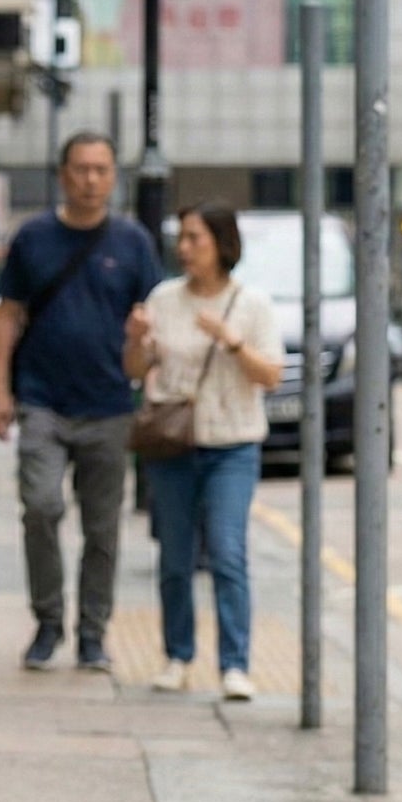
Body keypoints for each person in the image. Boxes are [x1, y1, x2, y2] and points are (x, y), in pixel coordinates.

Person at [0, 131, 161, 673]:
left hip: (110, 405)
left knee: (102, 527)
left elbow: (150, 328)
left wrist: (143, 360)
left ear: (114, 177)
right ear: (62, 175)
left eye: (101, 169)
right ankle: (47, 622)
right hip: (42, 401)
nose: (91, 179)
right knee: (40, 506)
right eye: (81, 169)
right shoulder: (33, 238)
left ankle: (92, 632)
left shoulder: (134, 243)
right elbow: (8, 318)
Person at [123, 201, 283, 699]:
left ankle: (235, 665)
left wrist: (230, 341)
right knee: (175, 558)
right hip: (173, 445)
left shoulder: (251, 304)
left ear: (221, 244)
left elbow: (272, 376)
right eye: (183, 239)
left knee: (228, 553)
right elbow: (135, 370)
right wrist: (136, 340)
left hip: (232, 445)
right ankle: (177, 656)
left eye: (196, 238)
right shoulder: (164, 299)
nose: (185, 248)